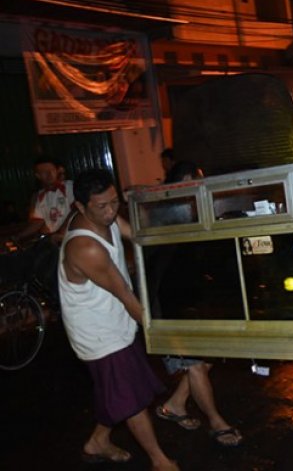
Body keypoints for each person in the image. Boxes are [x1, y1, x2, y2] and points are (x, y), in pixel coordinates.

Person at [58, 168, 178, 471]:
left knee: (120, 391)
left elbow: (136, 232)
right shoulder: (85, 246)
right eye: (102, 206)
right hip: (99, 335)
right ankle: (159, 461)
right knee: (132, 399)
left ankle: (98, 441)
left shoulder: (108, 218)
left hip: (115, 323)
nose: (111, 211)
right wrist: (161, 332)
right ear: (80, 207)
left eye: (114, 202)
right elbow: (124, 293)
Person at [150, 161, 242, 447]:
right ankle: (217, 423)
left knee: (206, 358)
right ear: (182, 181)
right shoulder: (167, 211)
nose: (201, 184)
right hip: (170, 300)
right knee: (196, 364)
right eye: (195, 179)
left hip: (191, 297)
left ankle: (175, 405)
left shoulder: (194, 208)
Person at [14, 156, 74, 243]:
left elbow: (76, 211)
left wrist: (61, 232)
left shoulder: (70, 187)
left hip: (71, 236)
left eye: (52, 170)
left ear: (57, 171)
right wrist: (18, 236)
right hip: (54, 239)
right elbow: (38, 221)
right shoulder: (40, 196)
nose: (49, 174)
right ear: (38, 176)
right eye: (44, 172)